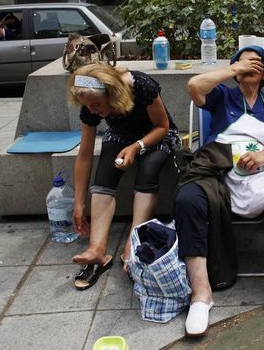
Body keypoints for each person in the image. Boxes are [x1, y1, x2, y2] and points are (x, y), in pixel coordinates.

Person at [175, 45, 264, 337]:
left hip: (261, 167)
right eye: (244, 61)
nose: (251, 65)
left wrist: (263, 156)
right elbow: (194, 86)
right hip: (219, 166)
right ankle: (201, 292)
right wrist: (234, 68)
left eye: (257, 62)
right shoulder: (223, 96)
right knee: (187, 199)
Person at [68, 63, 180, 290]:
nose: (91, 111)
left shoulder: (142, 86)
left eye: (96, 105)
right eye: (87, 106)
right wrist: (79, 203)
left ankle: (133, 242)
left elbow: (163, 126)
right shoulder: (89, 105)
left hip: (156, 137)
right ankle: (97, 249)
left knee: (148, 171)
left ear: (112, 93)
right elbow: (85, 153)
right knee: (104, 174)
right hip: (120, 136)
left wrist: (136, 147)